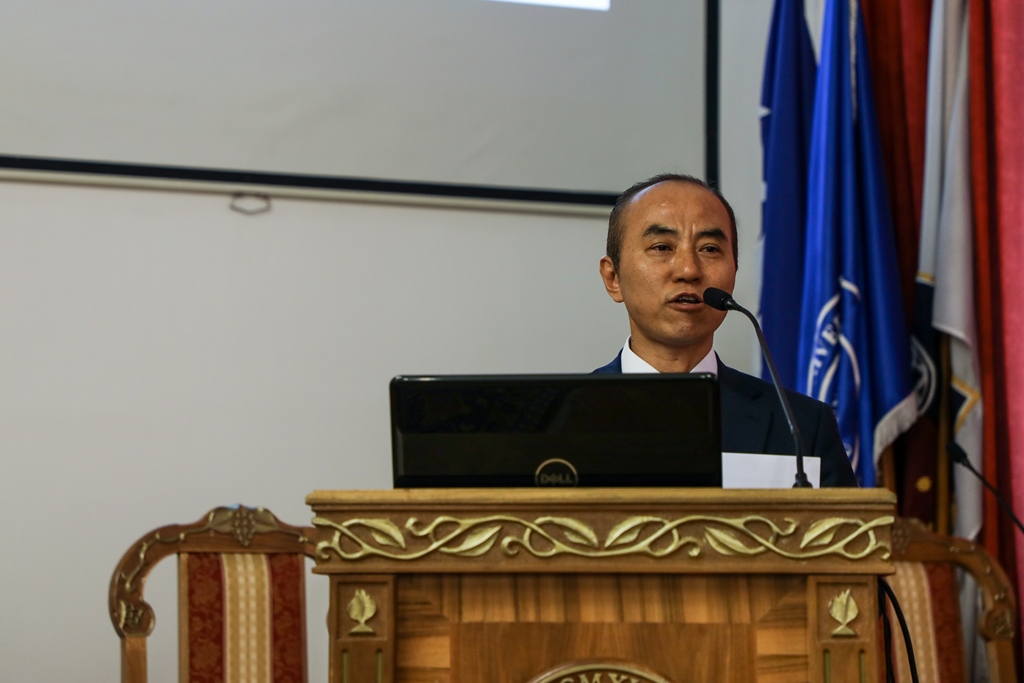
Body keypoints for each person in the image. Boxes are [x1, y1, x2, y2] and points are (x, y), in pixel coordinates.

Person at [594, 173, 857, 487]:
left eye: (709, 249)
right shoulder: (554, 418)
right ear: (613, 278)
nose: (689, 270)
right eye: (662, 247)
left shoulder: (803, 427)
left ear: (734, 271)